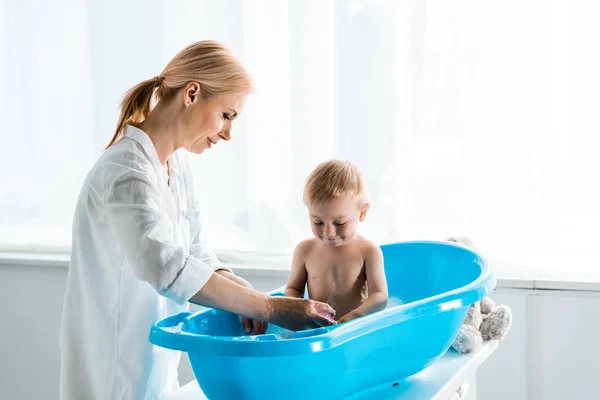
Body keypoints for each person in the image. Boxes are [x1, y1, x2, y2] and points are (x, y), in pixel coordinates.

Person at [59, 40, 335, 400]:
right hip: (111, 372)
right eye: (226, 115)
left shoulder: (176, 163)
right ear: (192, 93)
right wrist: (270, 307)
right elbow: (166, 268)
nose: (227, 133)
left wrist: (237, 288)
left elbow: (194, 248)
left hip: (153, 366)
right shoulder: (126, 172)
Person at [284, 160, 388, 323]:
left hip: (354, 330)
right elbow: (293, 288)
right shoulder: (304, 250)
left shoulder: (368, 252)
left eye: (339, 223)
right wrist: (301, 309)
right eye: (317, 222)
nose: (328, 232)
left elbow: (380, 296)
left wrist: (353, 317)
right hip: (317, 329)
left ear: (362, 214)